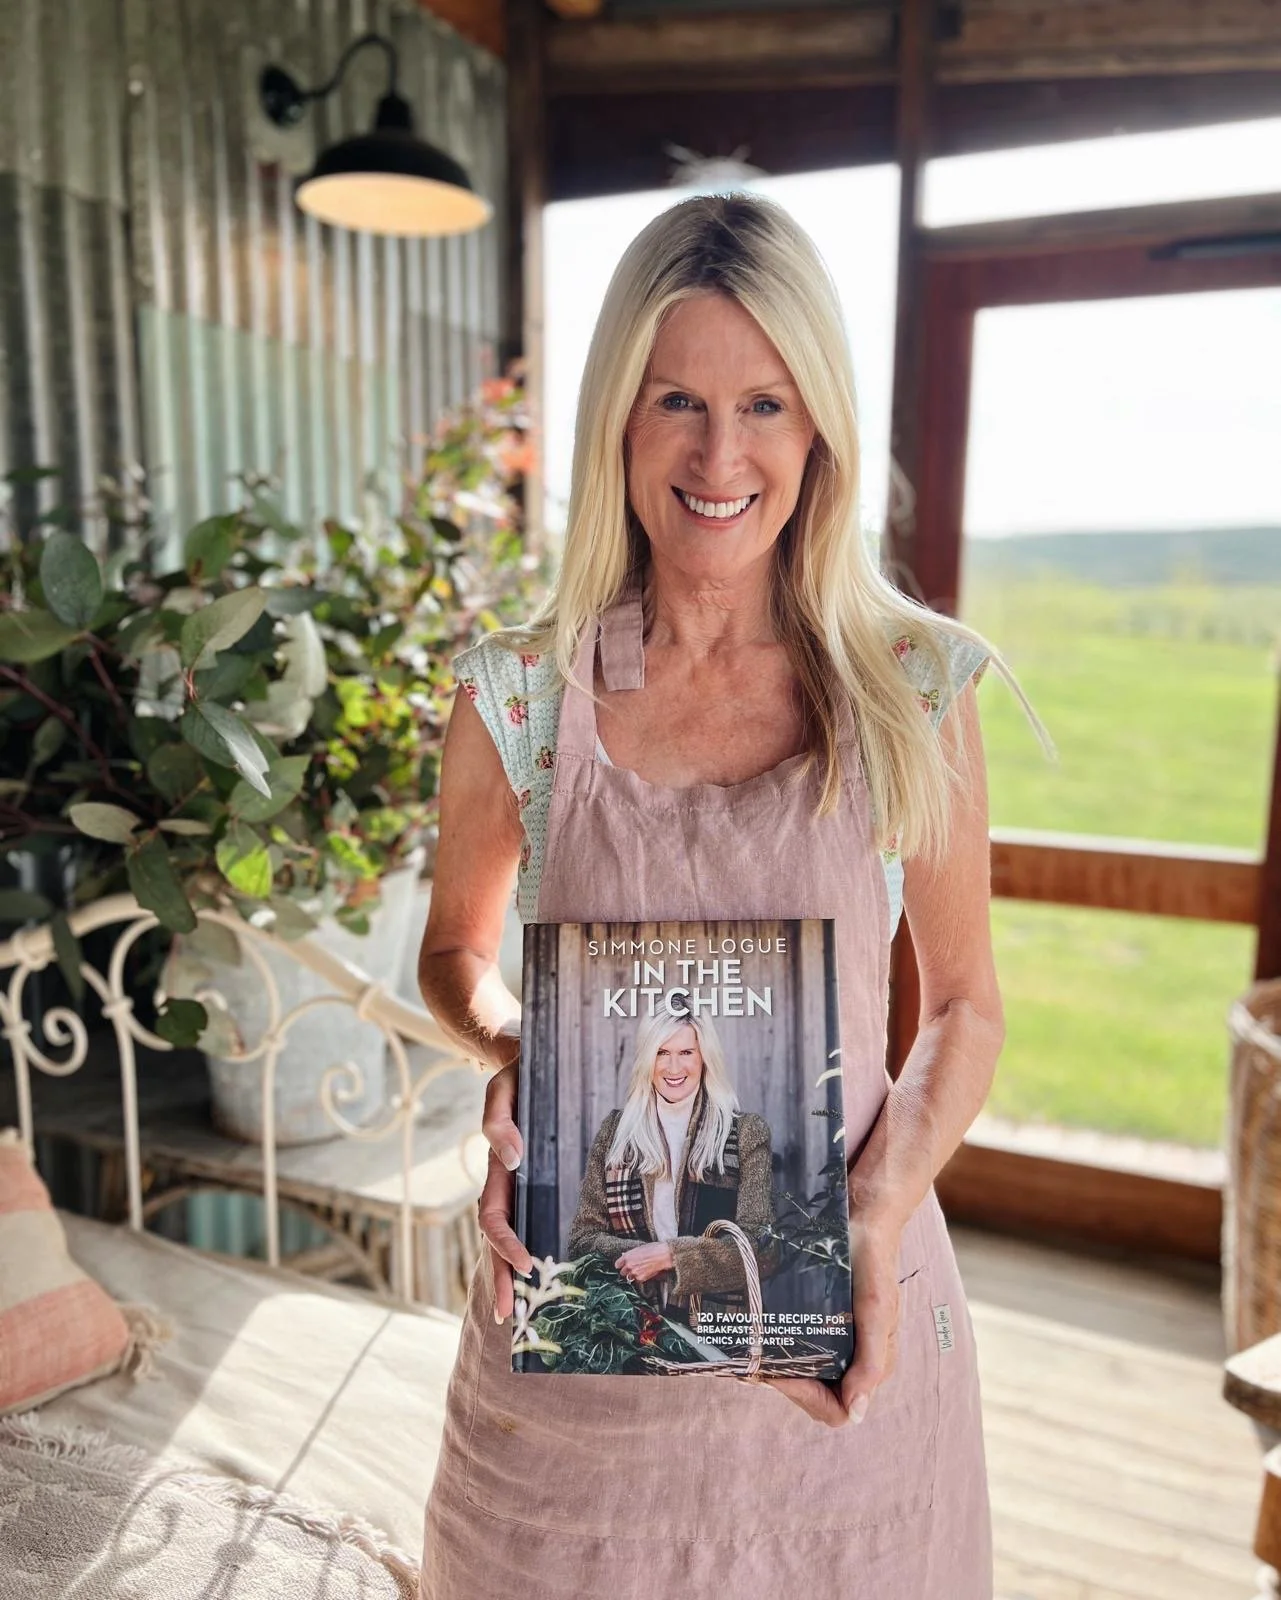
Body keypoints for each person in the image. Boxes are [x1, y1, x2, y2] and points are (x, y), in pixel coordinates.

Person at [417, 191, 1051, 1599]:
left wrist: (877, 1207)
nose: (720, 456)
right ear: (617, 421)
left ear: (819, 425)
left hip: (844, 1354)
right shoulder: (521, 691)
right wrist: (527, 1049)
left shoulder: (910, 687)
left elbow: (963, 1007)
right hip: (576, 1383)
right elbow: (455, 949)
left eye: (765, 403)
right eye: (677, 403)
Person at [566, 1009, 777, 1331]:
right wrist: (643, 1256)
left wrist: (671, 1256)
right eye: (662, 1052)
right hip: (629, 1329)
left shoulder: (745, 1132)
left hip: (719, 1332)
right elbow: (582, 1241)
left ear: (705, 1057)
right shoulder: (615, 1133)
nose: (674, 1067)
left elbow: (764, 1250)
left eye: (686, 1052)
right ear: (646, 1058)